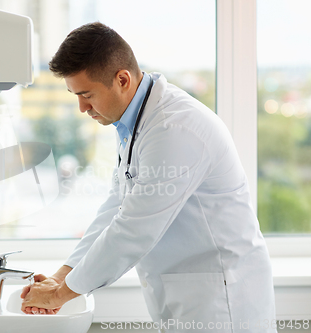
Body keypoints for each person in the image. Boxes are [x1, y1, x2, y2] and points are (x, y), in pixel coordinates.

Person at [21, 22, 276, 332]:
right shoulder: (135, 121)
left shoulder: (174, 129)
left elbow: (133, 230)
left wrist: (61, 293)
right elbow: (117, 207)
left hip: (223, 302)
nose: (82, 107)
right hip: (190, 295)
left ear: (122, 80)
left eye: (87, 94)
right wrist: (63, 274)